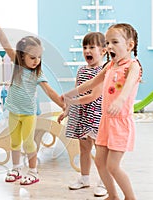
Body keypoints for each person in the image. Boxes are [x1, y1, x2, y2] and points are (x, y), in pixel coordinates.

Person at [63, 23, 142, 200]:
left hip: (120, 122)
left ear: (129, 45)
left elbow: (128, 87)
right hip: (105, 121)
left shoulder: (133, 66)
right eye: (107, 43)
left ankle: (130, 198)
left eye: (115, 42)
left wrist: (121, 100)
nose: (109, 46)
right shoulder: (109, 66)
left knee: (113, 166)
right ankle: (113, 196)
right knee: (99, 161)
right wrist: (70, 93)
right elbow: (91, 84)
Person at [0, 22, 65, 185]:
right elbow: (6, 44)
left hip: (28, 113)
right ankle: (16, 168)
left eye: (39, 57)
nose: (36, 61)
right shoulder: (17, 65)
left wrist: (64, 106)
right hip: (14, 111)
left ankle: (33, 171)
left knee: (28, 142)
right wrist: (0, 30)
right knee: (14, 141)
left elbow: (50, 91)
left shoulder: (38, 73)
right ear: (22, 56)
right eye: (32, 57)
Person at [57, 32, 108, 197]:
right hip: (82, 115)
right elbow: (77, 94)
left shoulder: (104, 71)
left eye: (92, 47)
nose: (87, 50)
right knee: (84, 149)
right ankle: (85, 178)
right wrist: (66, 111)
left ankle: (104, 182)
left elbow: (93, 95)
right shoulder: (81, 70)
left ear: (104, 51)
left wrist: (70, 101)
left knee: (100, 152)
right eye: (85, 47)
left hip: (97, 116)